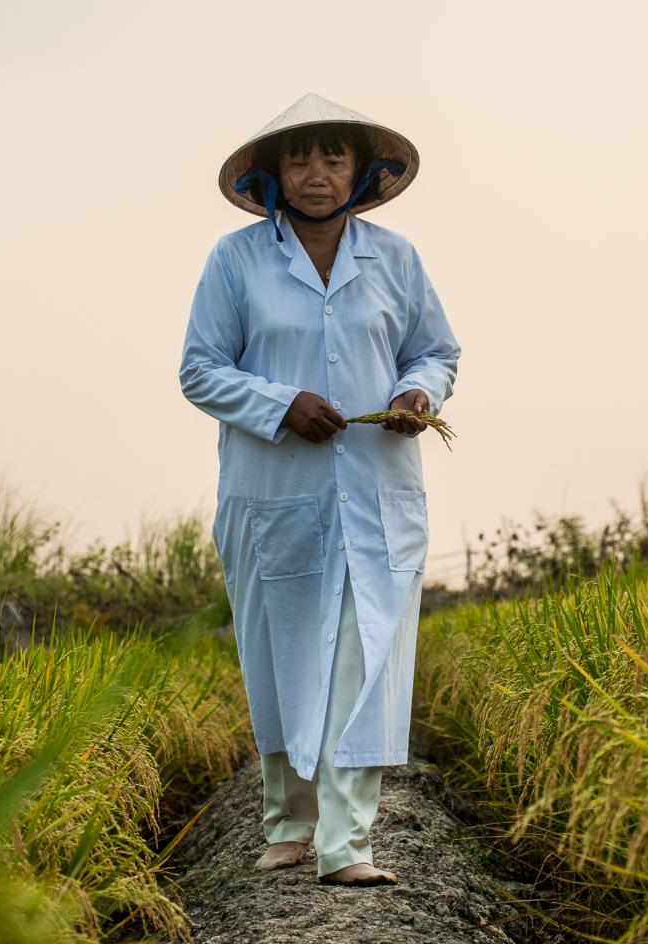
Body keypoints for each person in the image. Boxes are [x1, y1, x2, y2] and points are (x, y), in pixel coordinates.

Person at [179, 93, 460, 887]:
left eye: (333, 157)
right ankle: (287, 821)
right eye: (300, 159)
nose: (316, 174)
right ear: (272, 174)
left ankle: (349, 844)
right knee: (283, 653)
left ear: (360, 171)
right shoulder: (236, 261)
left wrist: (417, 396)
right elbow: (199, 368)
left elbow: (434, 351)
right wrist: (280, 405)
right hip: (274, 493)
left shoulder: (396, 259)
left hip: (376, 491)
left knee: (363, 660)